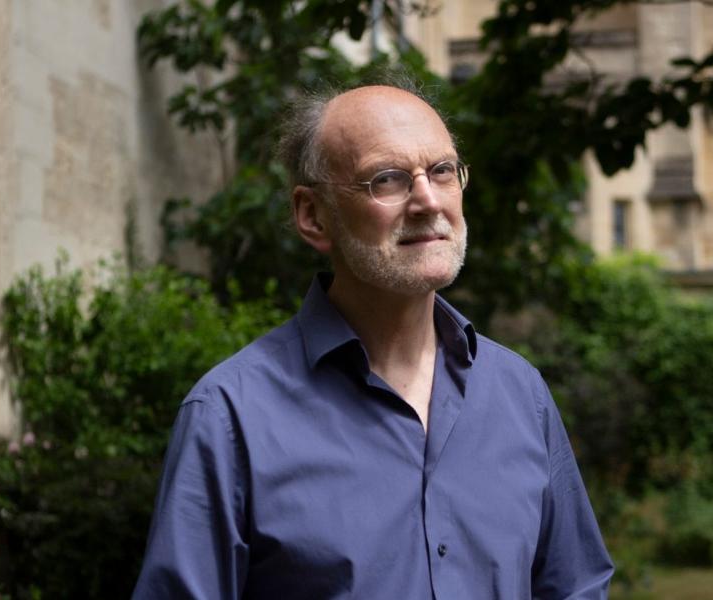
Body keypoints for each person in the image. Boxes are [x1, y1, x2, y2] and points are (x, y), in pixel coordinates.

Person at [133, 82, 613, 599]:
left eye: (443, 171)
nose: (428, 200)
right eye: (387, 179)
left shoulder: (520, 393)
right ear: (313, 216)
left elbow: (576, 588)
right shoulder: (229, 417)